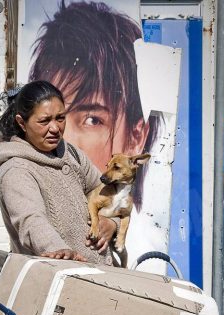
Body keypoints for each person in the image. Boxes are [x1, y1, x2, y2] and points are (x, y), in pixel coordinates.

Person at [28, 0, 160, 211]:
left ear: (136, 137)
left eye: (92, 120)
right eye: (49, 116)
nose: (62, 138)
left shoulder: (141, 236)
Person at [0, 80, 117, 265]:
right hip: (57, 280)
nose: (55, 128)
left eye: (60, 118)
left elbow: (106, 191)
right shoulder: (17, 171)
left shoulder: (72, 154)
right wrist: (56, 250)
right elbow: (30, 220)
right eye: (44, 121)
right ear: (22, 123)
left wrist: (112, 222)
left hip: (101, 275)